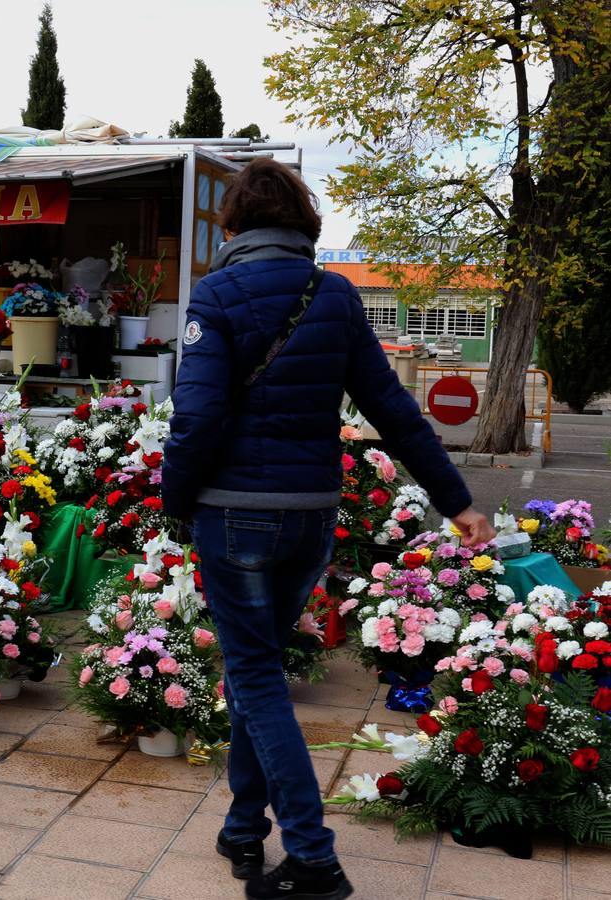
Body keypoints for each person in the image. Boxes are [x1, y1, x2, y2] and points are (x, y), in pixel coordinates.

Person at [160, 158, 494, 900]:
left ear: (235, 222)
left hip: (233, 511)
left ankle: (311, 856)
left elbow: (196, 417)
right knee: (258, 672)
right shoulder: (333, 296)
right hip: (309, 512)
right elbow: (393, 412)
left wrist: (173, 501)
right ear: (301, 221)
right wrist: (456, 499)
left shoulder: (214, 295)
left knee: (251, 674)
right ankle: (244, 829)